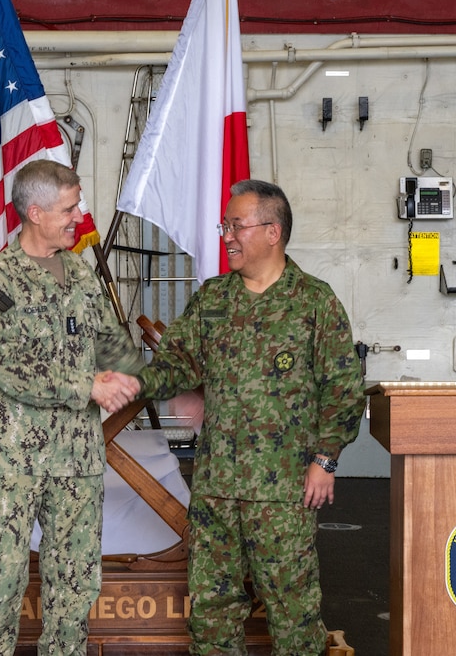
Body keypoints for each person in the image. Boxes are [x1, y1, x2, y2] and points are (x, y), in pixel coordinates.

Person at [116, 179, 365, 656]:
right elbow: (176, 367)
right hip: (216, 490)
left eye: (237, 225)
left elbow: (343, 391)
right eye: (224, 225)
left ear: (273, 232)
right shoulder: (213, 300)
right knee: (211, 618)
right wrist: (127, 383)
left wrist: (325, 460)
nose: (226, 235)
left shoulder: (314, 302)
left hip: (284, 493)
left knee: (293, 619)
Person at [0, 159, 142, 656]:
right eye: (70, 206)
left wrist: (153, 377)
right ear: (35, 213)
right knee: (3, 579)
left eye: (77, 203)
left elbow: (113, 347)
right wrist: (89, 386)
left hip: (77, 459)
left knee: (76, 583)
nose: (79, 215)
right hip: (14, 459)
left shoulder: (80, 275)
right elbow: (7, 367)